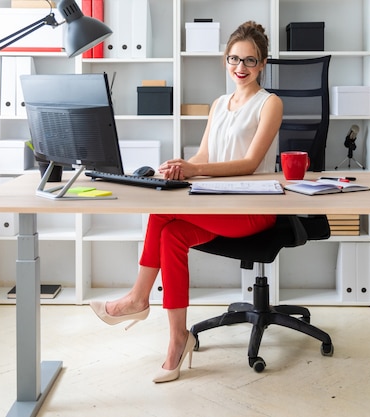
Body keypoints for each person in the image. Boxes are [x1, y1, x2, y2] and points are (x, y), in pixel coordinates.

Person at [90, 21, 283, 383]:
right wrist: (182, 169)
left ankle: (137, 298)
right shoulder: (219, 104)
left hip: (253, 208)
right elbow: (206, 154)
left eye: (250, 61)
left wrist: (195, 167)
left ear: (263, 63)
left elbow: (249, 163)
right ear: (225, 60)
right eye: (233, 59)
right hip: (216, 203)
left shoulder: (270, 104)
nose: (240, 68)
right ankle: (179, 338)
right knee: (171, 234)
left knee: (162, 211)